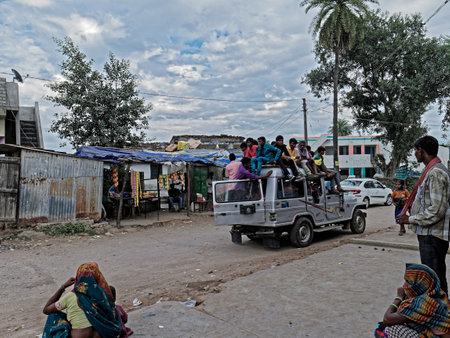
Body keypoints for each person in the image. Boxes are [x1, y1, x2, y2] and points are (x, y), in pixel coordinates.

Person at [397, 135, 450, 294]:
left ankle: (441, 313)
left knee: (435, 279)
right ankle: (440, 311)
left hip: (433, 234)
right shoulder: (432, 170)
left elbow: (437, 210)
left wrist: (410, 219)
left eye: (415, 150)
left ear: (422, 151)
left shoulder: (435, 173)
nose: (414, 154)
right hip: (430, 233)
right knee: (434, 277)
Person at [42, 262, 121, 338]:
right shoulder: (103, 295)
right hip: (101, 335)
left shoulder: (70, 296)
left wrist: (63, 287)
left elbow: (46, 310)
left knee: (53, 315)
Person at [375, 263, 450, 337]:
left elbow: (387, 319)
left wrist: (398, 298)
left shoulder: (422, 303)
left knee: (392, 329)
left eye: (408, 282)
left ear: (419, 284)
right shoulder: (440, 295)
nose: (404, 285)